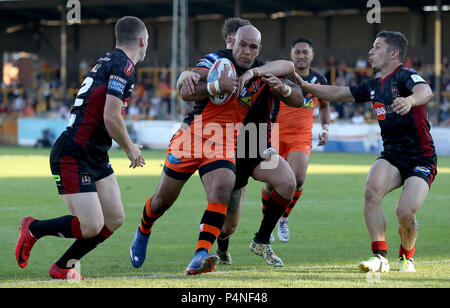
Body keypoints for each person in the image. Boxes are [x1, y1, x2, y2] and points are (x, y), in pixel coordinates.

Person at [130, 25, 297, 275]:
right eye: (241, 44)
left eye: (253, 47)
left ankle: (201, 254)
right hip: (193, 135)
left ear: (258, 49)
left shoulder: (260, 70)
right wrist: (215, 85)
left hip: (229, 141)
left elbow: (289, 70)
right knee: (161, 201)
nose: (246, 51)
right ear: (232, 43)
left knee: (223, 187)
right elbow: (186, 91)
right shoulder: (216, 60)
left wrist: (255, 75)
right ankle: (144, 229)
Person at [15, 16, 148, 280]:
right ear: (143, 40)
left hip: (94, 152)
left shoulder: (109, 60)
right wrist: (131, 148)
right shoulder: (124, 66)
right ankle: (34, 229)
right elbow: (112, 116)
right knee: (92, 225)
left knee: (114, 218)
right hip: (74, 153)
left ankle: (63, 266)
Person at [294, 31, 436, 273]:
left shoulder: (406, 76)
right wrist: (306, 86)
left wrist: (410, 101)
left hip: (420, 158)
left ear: (394, 54)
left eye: (377, 47)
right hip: (392, 155)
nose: (371, 52)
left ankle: (406, 256)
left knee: (405, 213)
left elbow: (426, 91)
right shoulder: (373, 85)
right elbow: (339, 93)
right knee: (371, 191)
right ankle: (380, 257)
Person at [265, 37, 330, 242]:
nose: (301, 55)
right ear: (291, 55)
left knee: (298, 179)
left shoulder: (319, 80)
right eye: (298, 52)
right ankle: (268, 221)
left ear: (312, 55)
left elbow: (325, 105)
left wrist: (325, 128)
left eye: (305, 52)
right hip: (275, 133)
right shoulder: (281, 76)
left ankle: (283, 218)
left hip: (301, 136)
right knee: (270, 184)